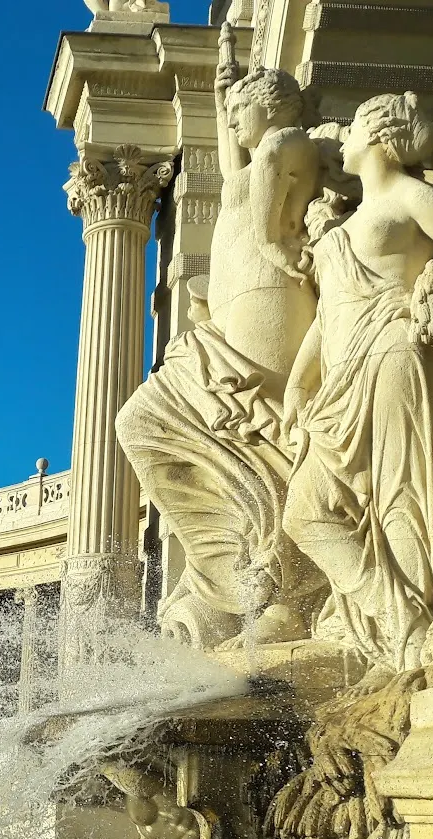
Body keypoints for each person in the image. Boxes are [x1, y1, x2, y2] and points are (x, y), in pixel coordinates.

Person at [116, 36, 326, 648]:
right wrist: (219, 94)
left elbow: (266, 227)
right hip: (225, 323)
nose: (232, 123)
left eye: (240, 111)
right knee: (142, 422)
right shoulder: (260, 155)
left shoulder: (288, 144)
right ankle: (235, 574)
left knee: (256, 435)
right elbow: (239, 177)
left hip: (268, 303)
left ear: (272, 105)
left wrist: (287, 258)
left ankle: (280, 582)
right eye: (228, 115)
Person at [281, 92, 433, 670]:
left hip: (395, 355)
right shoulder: (346, 226)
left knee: (403, 501)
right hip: (340, 384)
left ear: (378, 135)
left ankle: (412, 647)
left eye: (352, 128)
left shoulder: (411, 197)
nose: (343, 138)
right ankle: (401, 622)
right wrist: (297, 384)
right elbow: (328, 313)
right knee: (303, 513)